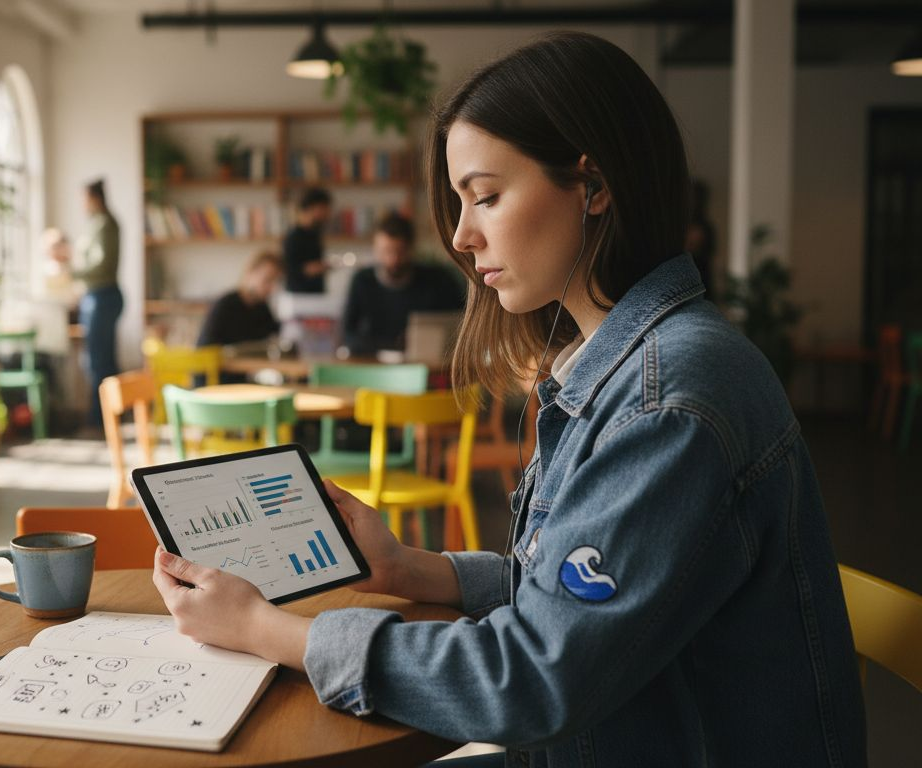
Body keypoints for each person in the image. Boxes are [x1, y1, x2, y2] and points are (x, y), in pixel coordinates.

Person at [150, 31, 865, 767]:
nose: (460, 236)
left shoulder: (670, 400)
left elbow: (532, 679)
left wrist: (265, 629)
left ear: (593, 186)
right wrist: (410, 569)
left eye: (486, 196)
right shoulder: (633, 365)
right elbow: (571, 599)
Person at [340, 211, 466, 355]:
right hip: (373, 363)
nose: (393, 259)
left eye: (399, 251)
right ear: (375, 250)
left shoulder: (438, 280)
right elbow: (347, 335)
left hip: (427, 362)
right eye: (386, 251)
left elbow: (459, 323)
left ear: (411, 249)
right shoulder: (362, 281)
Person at [75, 178, 123, 427]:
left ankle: (101, 417)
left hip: (102, 296)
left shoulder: (104, 224)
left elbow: (100, 264)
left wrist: (71, 272)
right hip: (95, 296)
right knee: (100, 358)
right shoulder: (96, 224)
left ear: (94, 197)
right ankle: (107, 415)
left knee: (99, 361)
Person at [196, 251, 283, 347]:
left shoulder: (263, 308)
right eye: (268, 280)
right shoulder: (225, 305)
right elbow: (204, 347)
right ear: (250, 273)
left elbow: (276, 336)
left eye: (276, 282)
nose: (272, 288)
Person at [282, 187, 332, 294]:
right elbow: (290, 269)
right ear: (313, 207)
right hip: (299, 296)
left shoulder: (315, 234)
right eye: (324, 208)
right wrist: (318, 267)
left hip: (316, 294)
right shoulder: (293, 237)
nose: (327, 213)